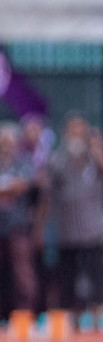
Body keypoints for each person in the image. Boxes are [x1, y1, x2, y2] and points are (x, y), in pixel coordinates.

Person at [42, 115, 103, 333]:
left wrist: (99, 151)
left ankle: (96, 323)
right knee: (69, 279)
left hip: (92, 231)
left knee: (96, 279)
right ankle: (73, 322)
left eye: (80, 133)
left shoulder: (95, 161)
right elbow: (47, 196)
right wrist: (43, 227)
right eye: (73, 132)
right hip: (67, 232)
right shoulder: (57, 161)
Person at [0, 124, 40, 327]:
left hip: (18, 227)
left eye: (9, 143)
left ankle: (24, 317)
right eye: (3, 143)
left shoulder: (23, 162)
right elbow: (13, 186)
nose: (6, 146)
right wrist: (9, 187)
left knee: (22, 275)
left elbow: (23, 184)